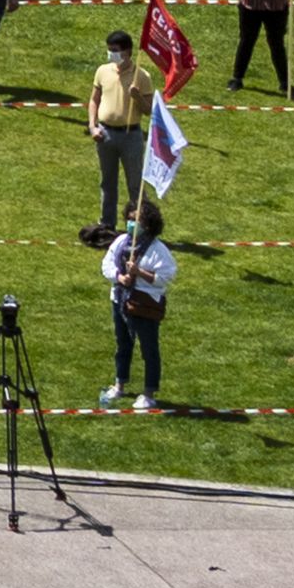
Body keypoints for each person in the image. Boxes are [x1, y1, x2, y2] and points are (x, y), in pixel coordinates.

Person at [103, 201, 175, 411]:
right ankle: (120, 384)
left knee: (149, 349)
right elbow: (106, 264)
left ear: (149, 224)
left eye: (137, 220)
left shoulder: (158, 250)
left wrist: (139, 273)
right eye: (130, 219)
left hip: (144, 305)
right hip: (119, 299)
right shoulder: (120, 242)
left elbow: (165, 277)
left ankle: (149, 393)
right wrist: (120, 277)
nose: (132, 224)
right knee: (122, 345)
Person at [83, 35, 150, 246]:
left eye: (116, 50)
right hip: (105, 134)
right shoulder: (103, 71)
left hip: (131, 135)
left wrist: (138, 97)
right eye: (110, 49)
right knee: (107, 182)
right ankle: (107, 225)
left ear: (128, 51)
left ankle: (144, 226)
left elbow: (149, 111)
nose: (112, 53)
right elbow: (94, 100)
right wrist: (93, 126)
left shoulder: (142, 76)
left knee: (135, 183)